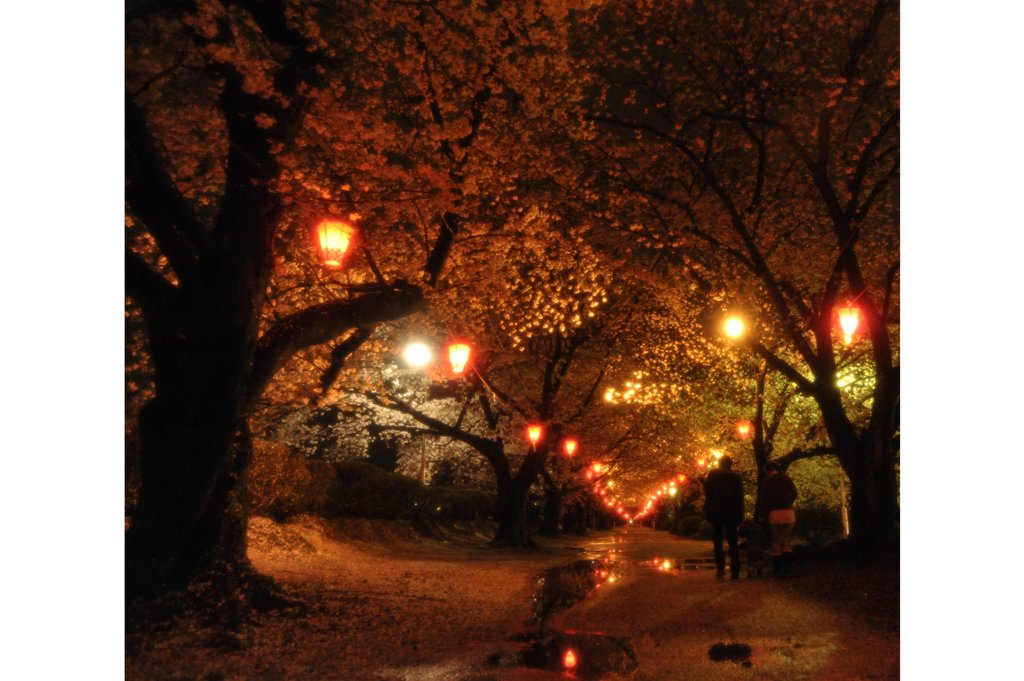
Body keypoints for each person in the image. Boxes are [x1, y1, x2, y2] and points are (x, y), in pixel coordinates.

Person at [703, 455, 744, 580]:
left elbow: (708, 493)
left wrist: (707, 510)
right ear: (730, 464)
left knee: (718, 541)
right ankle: (735, 569)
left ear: (719, 463)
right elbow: (739, 498)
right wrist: (740, 514)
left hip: (717, 512)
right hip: (732, 512)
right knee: (733, 541)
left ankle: (720, 567)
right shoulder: (736, 478)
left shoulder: (713, 475)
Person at [760, 461, 799, 576]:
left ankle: (777, 569)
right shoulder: (786, 479)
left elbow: (764, 499)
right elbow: (795, 493)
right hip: (788, 512)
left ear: (768, 470)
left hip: (775, 513)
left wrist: (762, 514)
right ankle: (788, 568)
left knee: (776, 541)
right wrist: (788, 502)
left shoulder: (767, 481)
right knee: (787, 540)